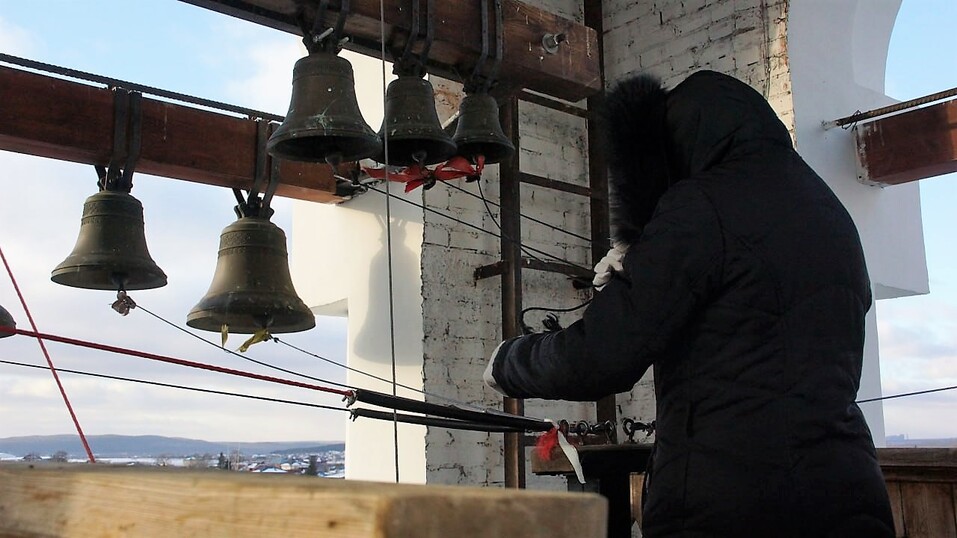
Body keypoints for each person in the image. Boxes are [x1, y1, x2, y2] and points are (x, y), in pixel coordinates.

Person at [483, 70, 894, 537]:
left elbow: (603, 357)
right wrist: (640, 269)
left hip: (732, 503)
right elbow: (755, 316)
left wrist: (509, 362)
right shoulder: (830, 213)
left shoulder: (701, 202)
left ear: (677, 145)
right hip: (849, 494)